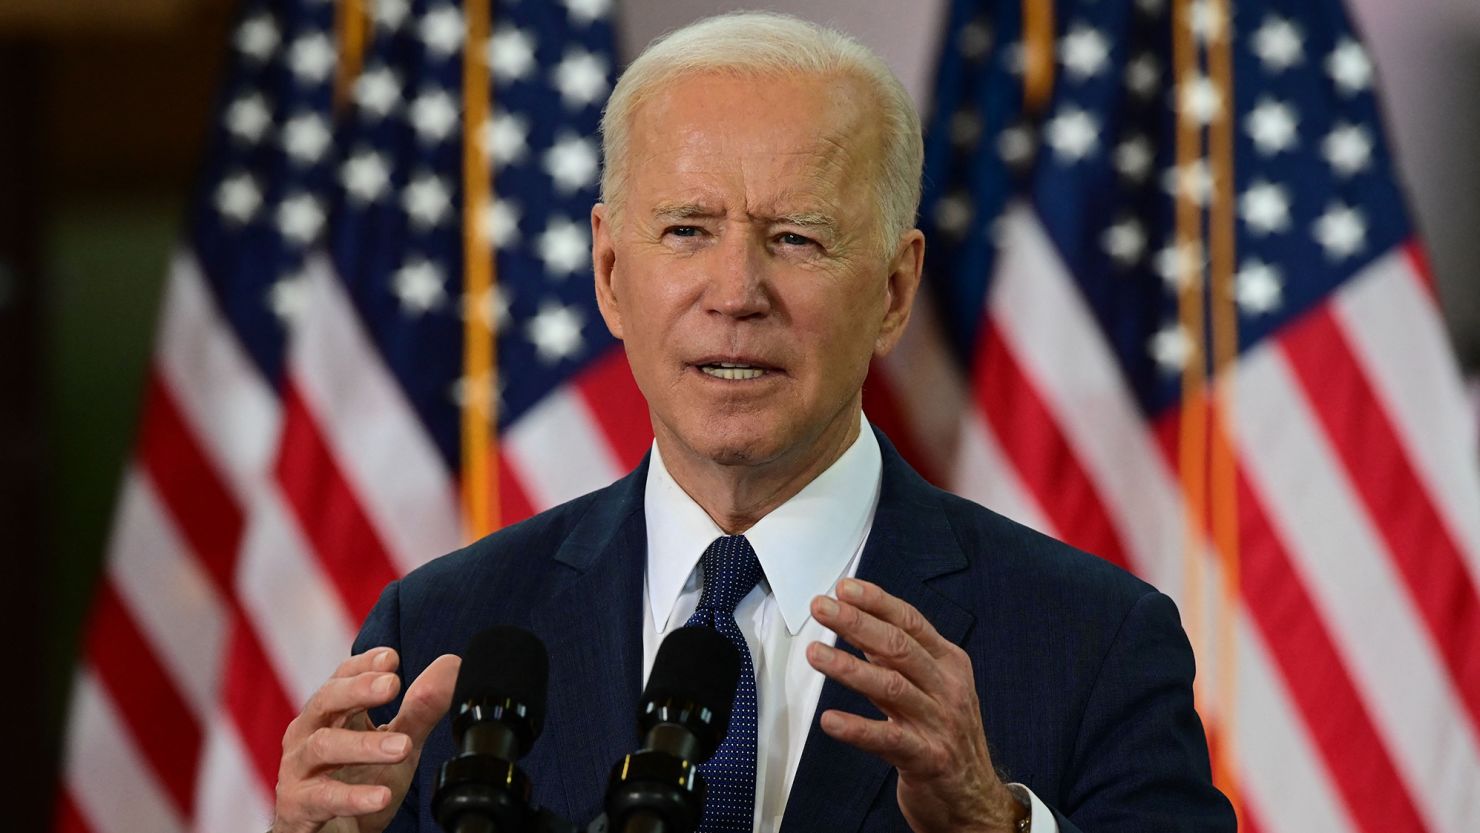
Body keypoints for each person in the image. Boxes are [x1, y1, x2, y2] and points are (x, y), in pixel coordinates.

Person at [270, 12, 1235, 833]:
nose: (736, 293)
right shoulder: (443, 630)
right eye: (687, 230)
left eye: (797, 238)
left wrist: (996, 822)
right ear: (611, 273)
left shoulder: (1093, 643)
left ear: (896, 290)